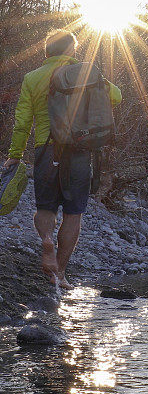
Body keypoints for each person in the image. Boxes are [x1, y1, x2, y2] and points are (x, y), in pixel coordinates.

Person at [2, 30, 122, 289]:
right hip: (80, 149)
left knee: (45, 208)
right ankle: (61, 273)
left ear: (46, 51)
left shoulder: (32, 78)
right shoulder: (85, 73)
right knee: (73, 214)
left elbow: (22, 121)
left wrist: (15, 155)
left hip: (46, 150)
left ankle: (46, 239)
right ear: (71, 51)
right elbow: (117, 96)